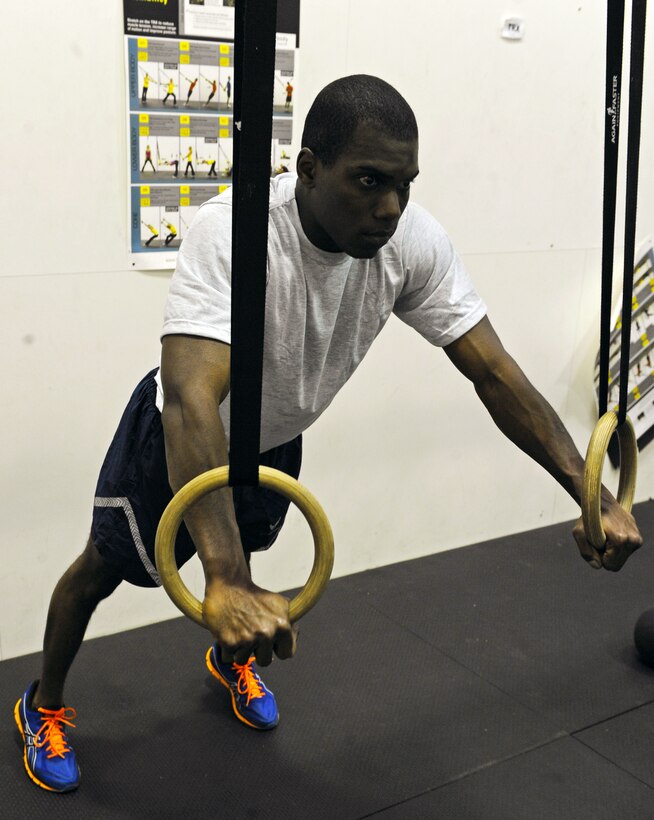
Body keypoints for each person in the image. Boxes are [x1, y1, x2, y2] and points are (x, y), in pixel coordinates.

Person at [14, 74, 643, 794]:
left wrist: (588, 492)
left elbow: (494, 373)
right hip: (180, 439)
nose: (390, 206)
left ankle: (230, 660)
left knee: (250, 559)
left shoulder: (410, 241)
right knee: (99, 572)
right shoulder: (235, 231)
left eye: (404, 184)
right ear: (308, 168)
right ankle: (44, 703)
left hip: (275, 437)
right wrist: (221, 576)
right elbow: (190, 400)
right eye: (369, 181)